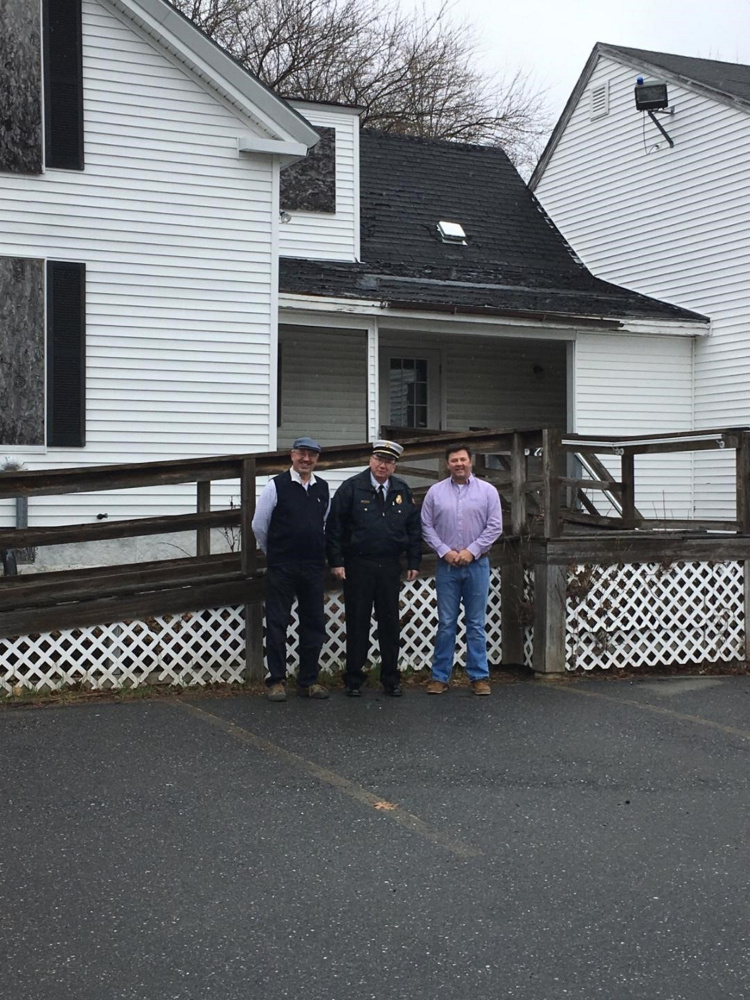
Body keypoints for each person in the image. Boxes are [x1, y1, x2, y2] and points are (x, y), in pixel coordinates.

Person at [326, 440, 422, 697]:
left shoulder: (402, 489)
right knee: (357, 622)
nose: (383, 465)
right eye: (379, 459)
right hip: (359, 565)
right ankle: (354, 678)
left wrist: (414, 561)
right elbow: (335, 527)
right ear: (371, 460)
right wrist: (336, 561)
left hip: (390, 566)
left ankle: (391, 678)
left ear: (395, 465)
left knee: (390, 623)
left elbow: (414, 529)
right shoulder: (352, 488)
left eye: (389, 461)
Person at [252, 437, 330, 702]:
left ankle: (308, 681)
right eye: (302, 454)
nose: (306, 459)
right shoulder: (276, 486)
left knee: (314, 624)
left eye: (312, 455)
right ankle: (276, 681)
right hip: (282, 566)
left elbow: (324, 524)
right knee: (277, 623)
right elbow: (259, 525)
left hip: (312, 566)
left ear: (317, 459)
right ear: (292, 456)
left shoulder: (323, 488)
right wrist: (273, 552)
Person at [420, 444, 503, 696]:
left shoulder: (488, 491)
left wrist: (472, 550)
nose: (459, 464)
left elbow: (495, 525)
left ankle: (479, 677)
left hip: (477, 564)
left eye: (463, 459)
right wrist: (444, 551)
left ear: (471, 461)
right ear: (447, 464)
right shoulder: (435, 492)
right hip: (447, 566)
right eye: (454, 460)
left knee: (476, 623)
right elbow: (426, 525)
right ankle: (439, 677)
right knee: (446, 623)